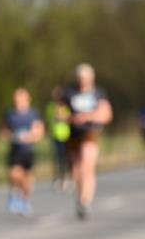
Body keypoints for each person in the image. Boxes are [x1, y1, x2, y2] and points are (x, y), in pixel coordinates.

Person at [60, 63, 113, 219]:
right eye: (80, 78)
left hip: (90, 133)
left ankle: (86, 201)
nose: (83, 81)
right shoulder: (69, 92)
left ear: (91, 78)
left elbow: (106, 114)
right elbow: (59, 112)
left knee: (87, 165)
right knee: (76, 169)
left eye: (85, 78)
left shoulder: (98, 93)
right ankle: (80, 198)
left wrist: (88, 116)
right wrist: (71, 118)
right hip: (73, 134)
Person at [1, 88, 45, 215]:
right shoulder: (9, 114)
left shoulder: (33, 114)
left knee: (27, 180)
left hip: (28, 151)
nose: (18, 102)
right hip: (15, 151)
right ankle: (15, 194)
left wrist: (29, 136)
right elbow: (4, 131)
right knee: (14, 174)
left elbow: (39, 131)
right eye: (16, 100)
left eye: (20, 99)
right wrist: (12, 136)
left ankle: (25, 199)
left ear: (27, 100)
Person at [45, 87, 72, 190]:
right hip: (55, 136)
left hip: (66, 136)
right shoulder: (50, 107)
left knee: (66, 158)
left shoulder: (67, 106)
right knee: (56, 158)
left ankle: (66, 177)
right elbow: (48, 120)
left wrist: (62, 117)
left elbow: (71, 118)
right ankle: (57, 178)